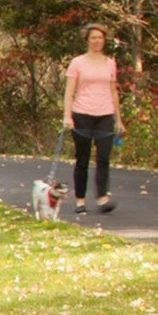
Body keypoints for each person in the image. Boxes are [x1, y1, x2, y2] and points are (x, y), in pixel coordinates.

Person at [61, 25, 123, 215]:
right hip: (82, 114)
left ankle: (102, 198)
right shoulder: (78, 63)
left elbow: (113, 91)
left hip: (105, 115)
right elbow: (69, 91)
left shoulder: (110, 63)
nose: (97, 41)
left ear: (104, 40)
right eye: (93, 37)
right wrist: (67, 115)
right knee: (83, 159)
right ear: (87, 40)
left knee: (103, 158)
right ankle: (80, 201)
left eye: (100, 38)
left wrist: (118, 119)